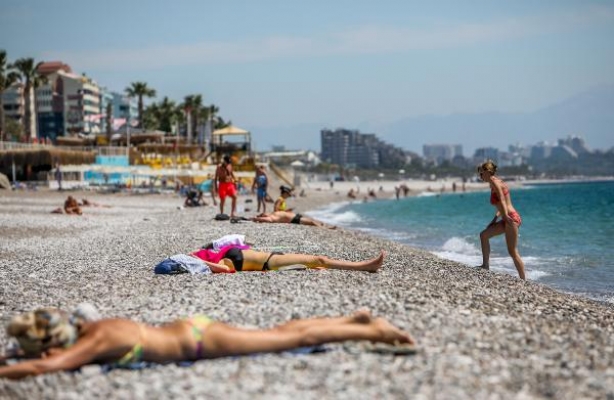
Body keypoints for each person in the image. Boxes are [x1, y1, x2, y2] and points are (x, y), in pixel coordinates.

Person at [0, 308, 414, 380]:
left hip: (199, 342)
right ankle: (351, 320)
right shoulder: (94, 327)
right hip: (192, 331)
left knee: (289, 339)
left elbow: (45, 367)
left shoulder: (97, 340)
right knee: (280, 332)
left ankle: (374, 331)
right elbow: (47, 357)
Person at [476, 160, 526, 280]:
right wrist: (495, 219)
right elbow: (500, 204)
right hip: (506, 218)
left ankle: (524, 280)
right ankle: (485, 265)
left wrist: (504, 217)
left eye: (481, 174)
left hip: (511, 219)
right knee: (484, 235)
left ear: (488, 172)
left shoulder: (495, 183)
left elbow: (503, 201)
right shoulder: (494, 182)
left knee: (512, 251)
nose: (480, 176)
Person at [191, 246, 384, 273]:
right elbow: (224, 271)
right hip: (270, 263)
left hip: (274, 257)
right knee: (319, 259)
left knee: (317, 262)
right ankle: (365, 266)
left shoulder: (222, 253)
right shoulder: (224, 263)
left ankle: (365, 266)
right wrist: (200, 262)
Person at [252, 211, 336, 230]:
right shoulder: (271, 217)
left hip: (295, 216)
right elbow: (267, 220)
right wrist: (256, 218)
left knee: (312, 220)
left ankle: (324, 226)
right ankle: (327, 229)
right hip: (294, 219)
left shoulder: (272, 213)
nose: (265, 213)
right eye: (263, 214)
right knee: (312, 222)